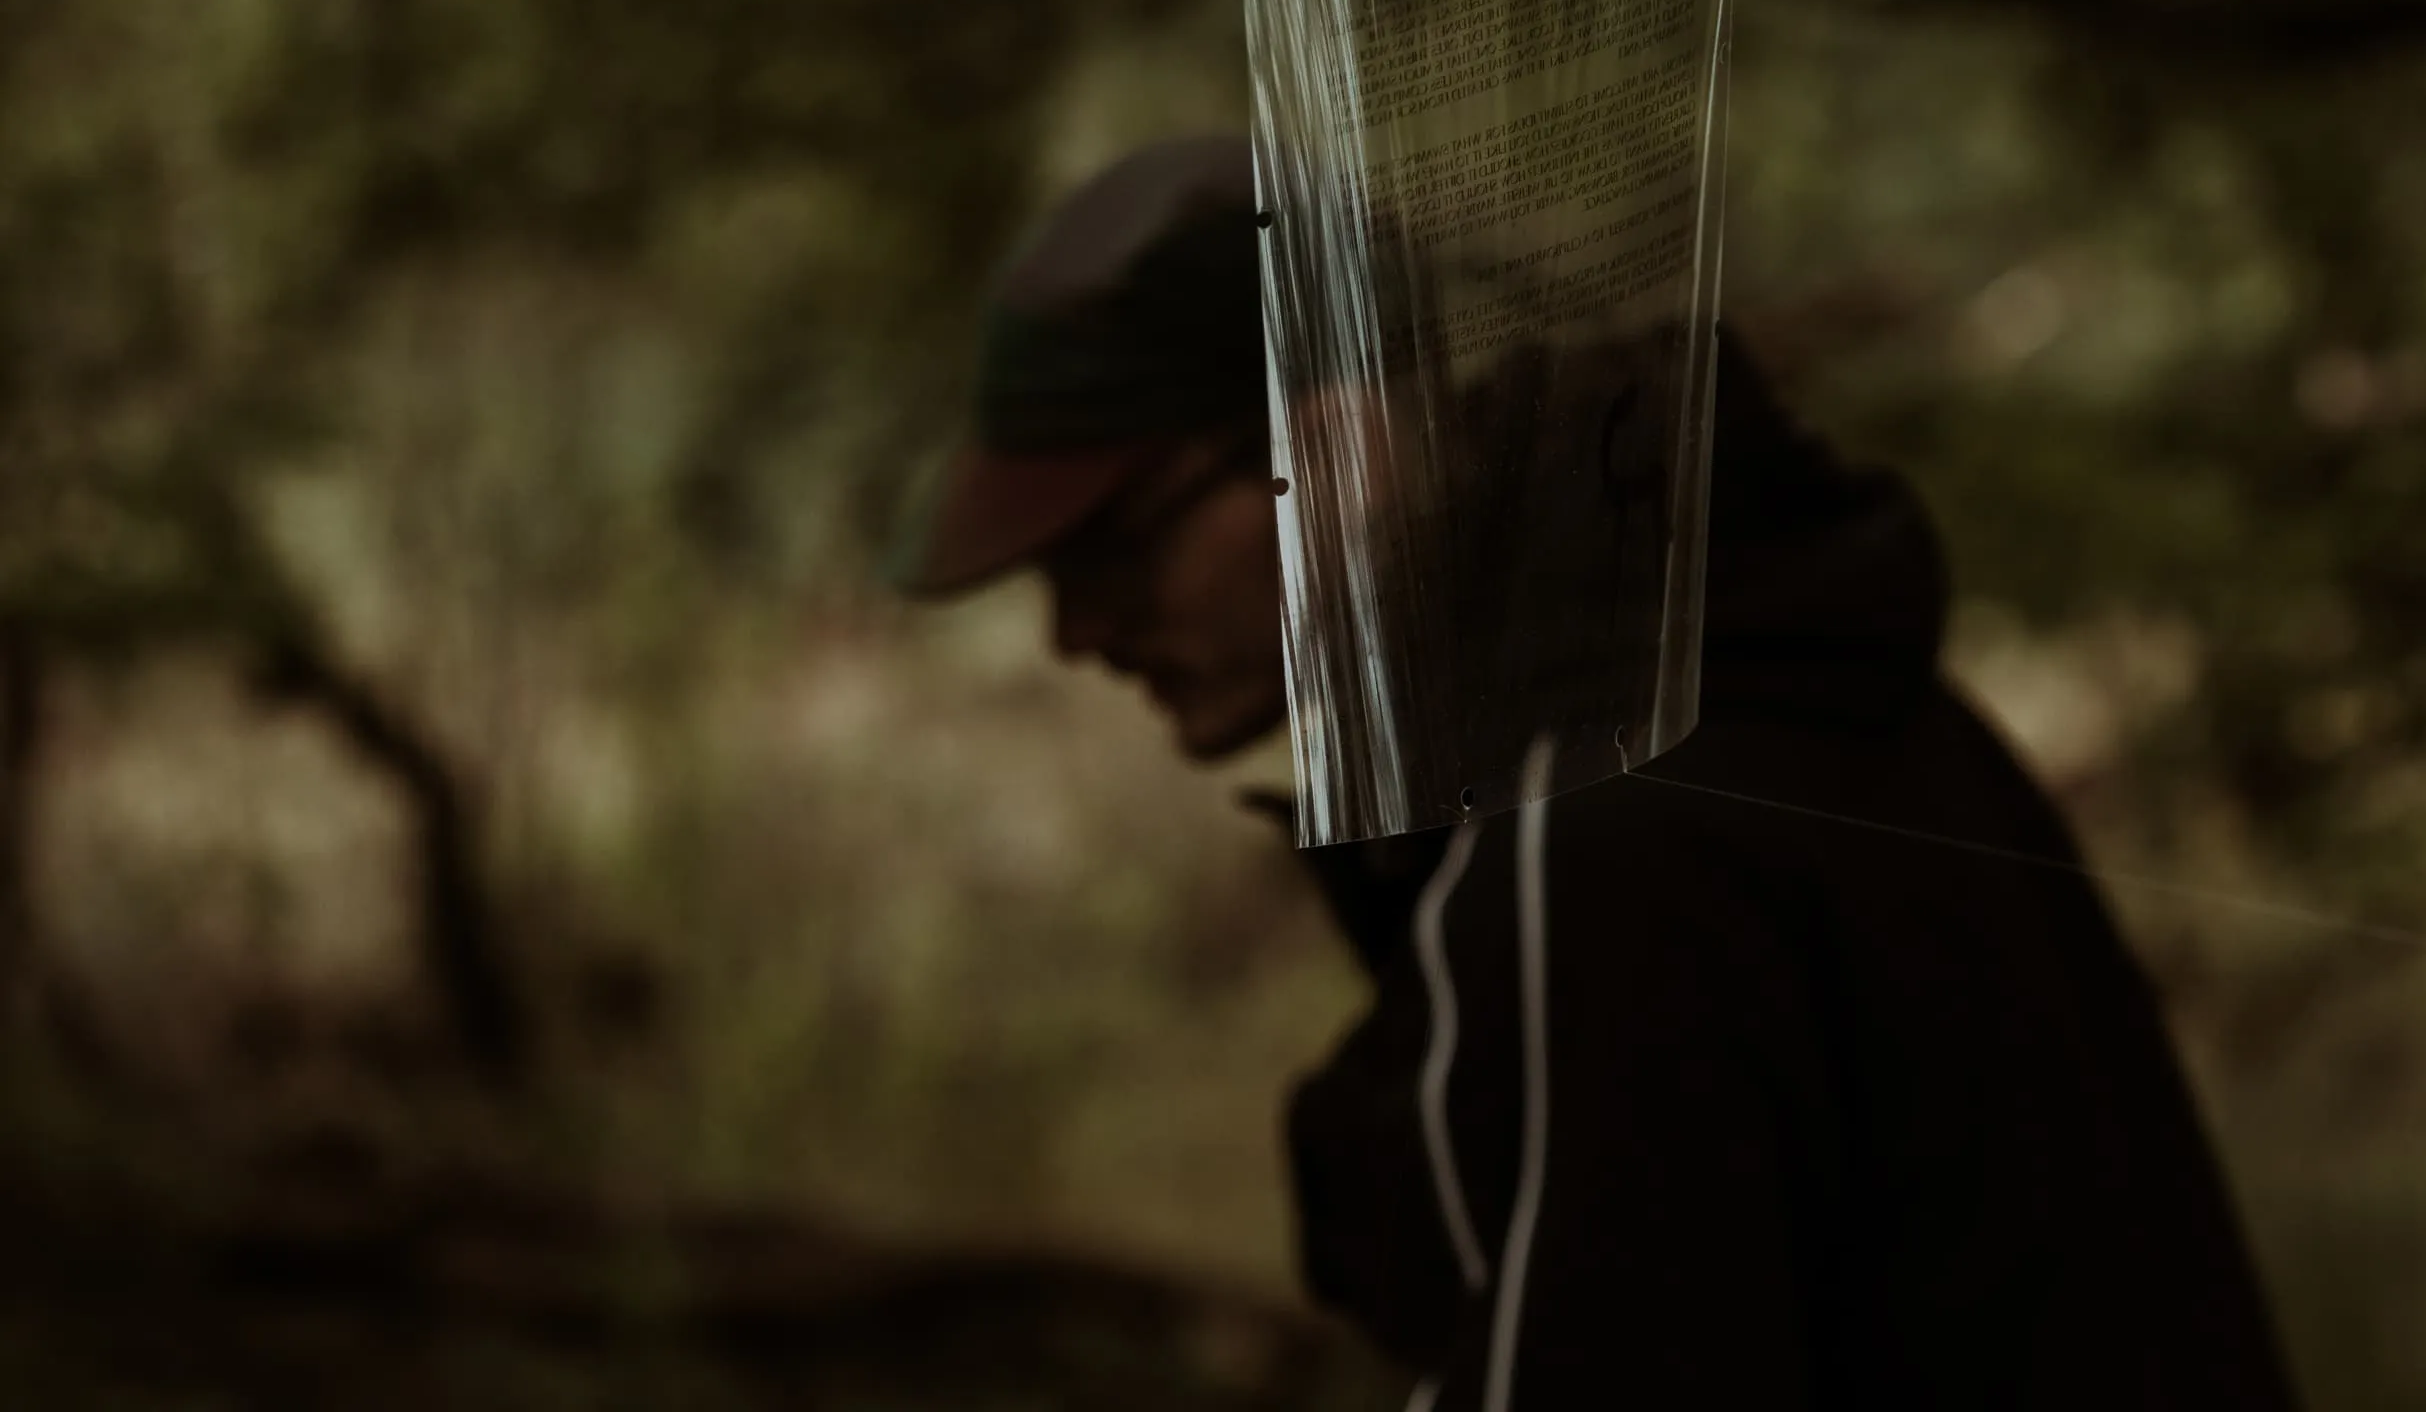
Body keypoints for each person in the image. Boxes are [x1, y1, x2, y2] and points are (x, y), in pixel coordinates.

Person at [897, 133, 2302, 1410]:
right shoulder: (1812, 693)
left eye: (1114, 546)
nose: (1076, 632)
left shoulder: (1601, 839)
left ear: (1331, 445)